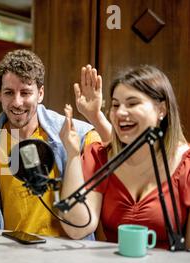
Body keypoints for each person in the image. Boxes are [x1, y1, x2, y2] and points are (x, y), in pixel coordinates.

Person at [0, 49, 111, 238]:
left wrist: (96, 116)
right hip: (11, 251)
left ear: (40, 93)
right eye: (9, 93)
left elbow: (122, 154)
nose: (17, 102)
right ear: (0, 95)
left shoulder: (79, 134)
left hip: (66, 255)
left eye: (26, 92)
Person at [59, 65, 190, 249]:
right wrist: (72, 153)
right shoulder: (100, 157)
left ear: (162, 109)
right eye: (115, 105)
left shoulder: (186, 165)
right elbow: (77, 228)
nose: (120, 112)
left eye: (132, 103)